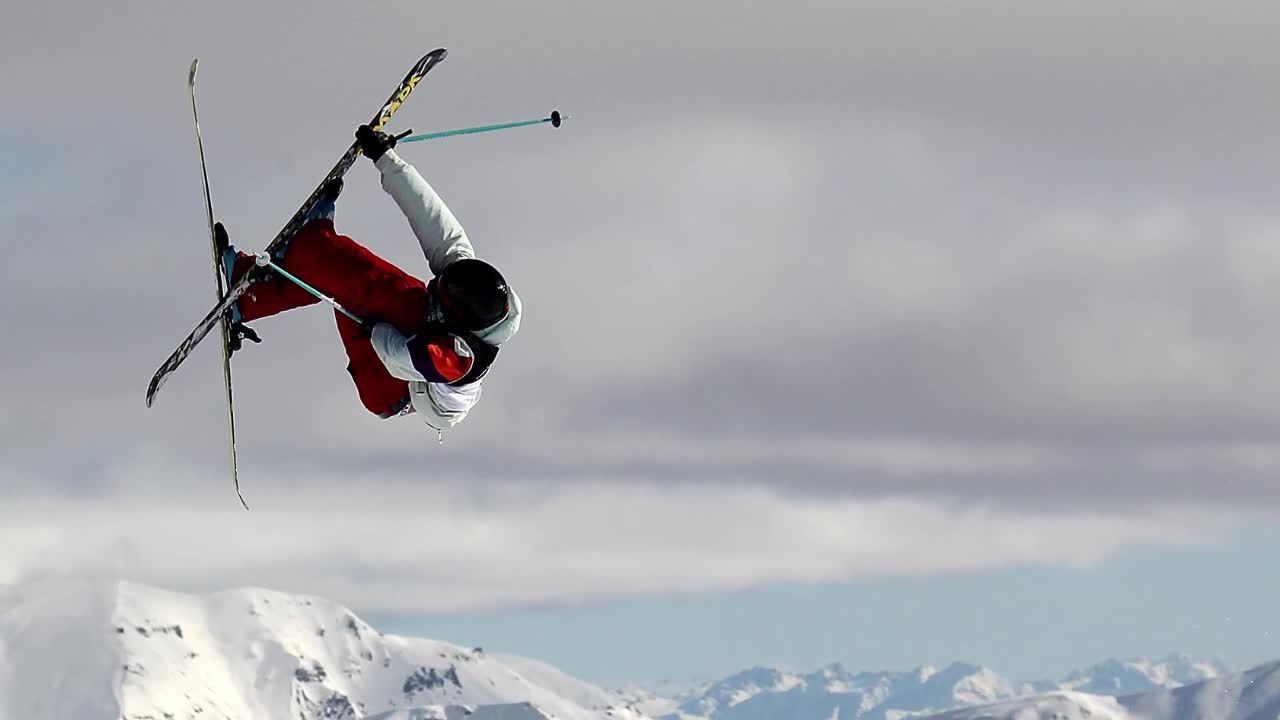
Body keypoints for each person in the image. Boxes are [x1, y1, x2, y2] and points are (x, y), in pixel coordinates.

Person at [217, 125, 521, 431]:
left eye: (440, 302)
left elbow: (395, 356)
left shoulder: (453, 359)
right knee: (369, 291)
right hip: (405, 361)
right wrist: (387, 159)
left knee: (383, 292)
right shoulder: (474, 284)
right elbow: (435, 223)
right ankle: (253, 295)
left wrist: (374, 326)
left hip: (391, 387)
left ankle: (311, 246)